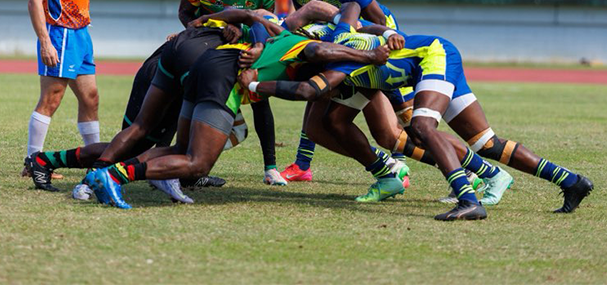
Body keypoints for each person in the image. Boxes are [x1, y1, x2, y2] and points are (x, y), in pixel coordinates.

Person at [248, 2, 595, 218]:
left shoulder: (338, 62)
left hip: (431, 56)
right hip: (420, 62)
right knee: (486, 142)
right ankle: (571, 181)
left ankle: (468, 200)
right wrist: (382, 31)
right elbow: (350, 12)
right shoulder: (336, 39)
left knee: (422, 129)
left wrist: (252, 86)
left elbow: (309, 88)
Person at [82, 21, 390, 209]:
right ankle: (113, 175)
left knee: (181, 150)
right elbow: (321, 53)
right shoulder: (309, 47)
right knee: (197, 163)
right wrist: (370, 56)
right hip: (222, 77)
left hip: (207, 65)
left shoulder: (286, 37)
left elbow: (264, 24)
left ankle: (108, 173)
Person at [22, 0, 176, 177]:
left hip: (81, 35)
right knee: (52, 98)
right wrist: (45, 41)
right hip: (61, 35)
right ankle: (32, 162)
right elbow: (35, 1)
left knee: (91, 98)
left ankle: (98, 161)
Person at [282, 0, 400, 183]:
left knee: (394, 97)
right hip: (338, 41)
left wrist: (373, 44)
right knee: (317, 92)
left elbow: (378, 19)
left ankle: (399, 161)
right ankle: (302, 165)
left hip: (378, 35)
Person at [177, 0, 286, 185]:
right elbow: (185, 12)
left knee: (259, 97)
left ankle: (271, 167)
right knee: (190, 96)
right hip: (207, 45)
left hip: (244, 47)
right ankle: (181, 162)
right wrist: (206, 31)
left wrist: (241, 31)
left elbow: (264, 23)